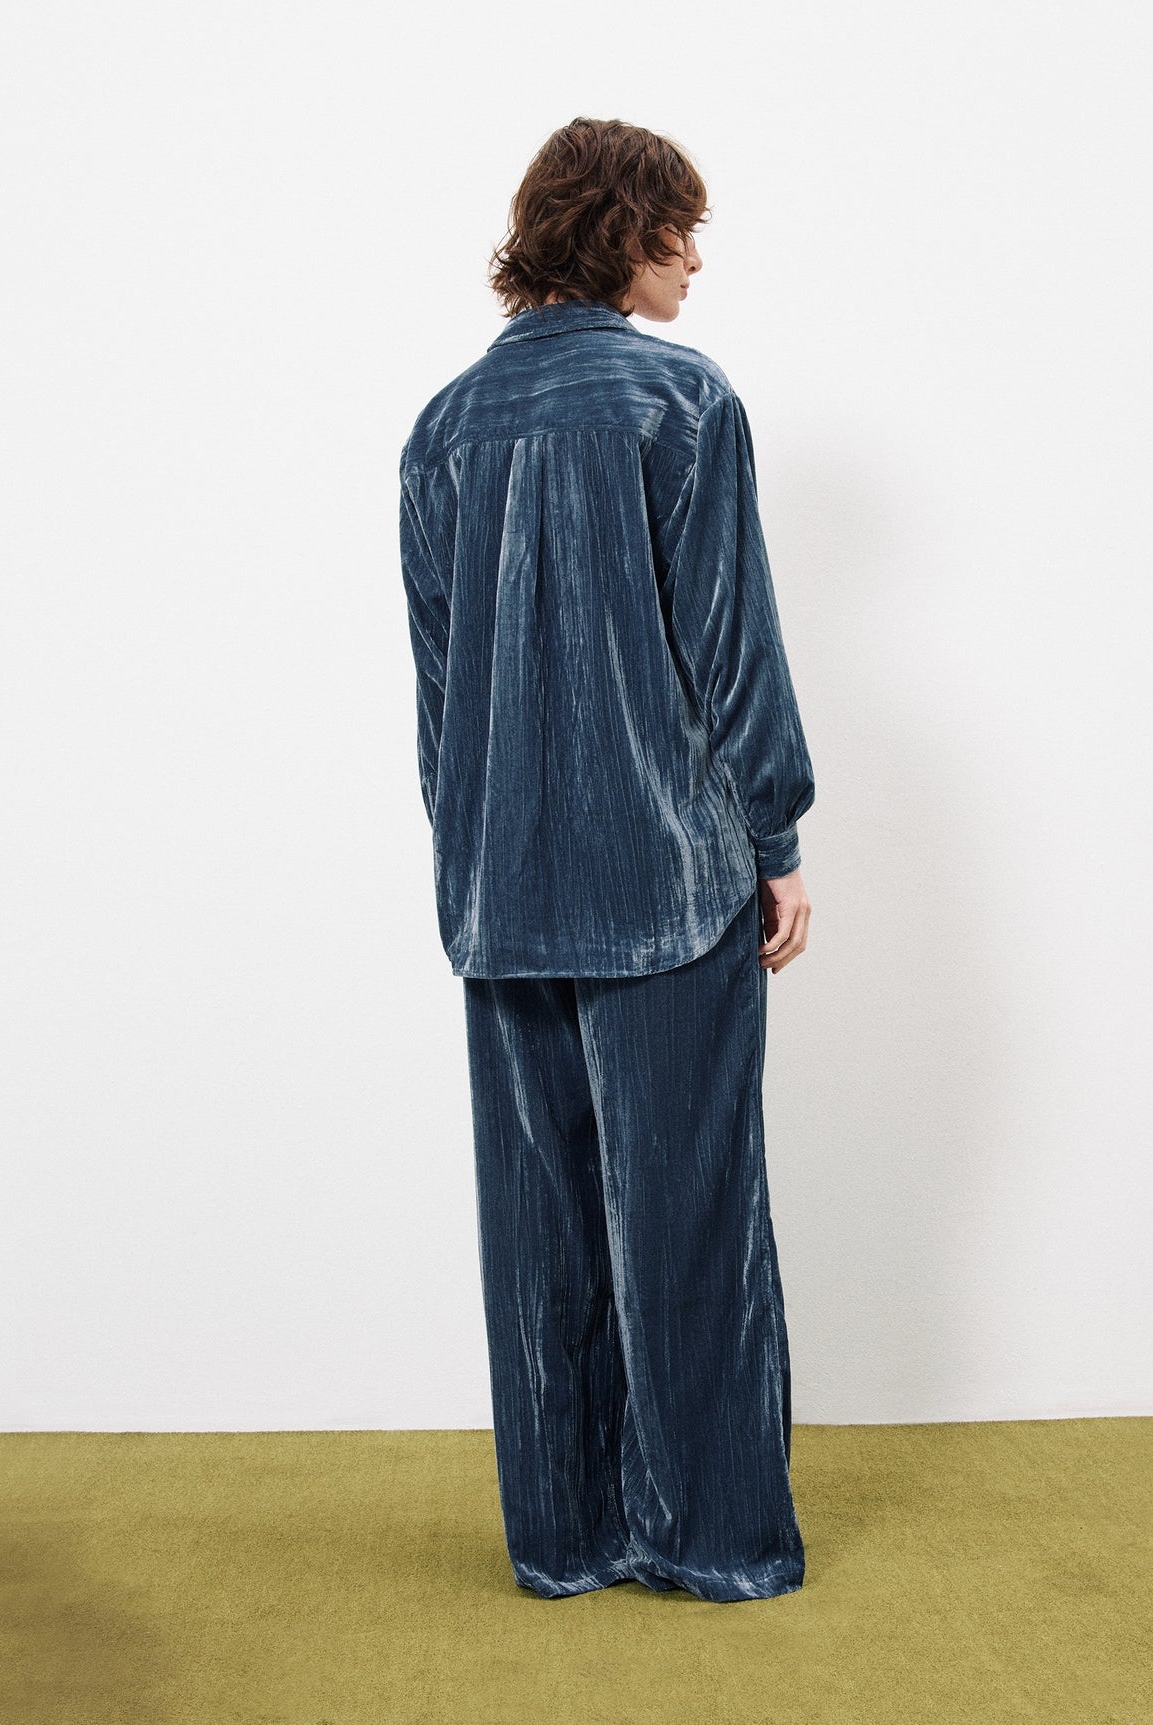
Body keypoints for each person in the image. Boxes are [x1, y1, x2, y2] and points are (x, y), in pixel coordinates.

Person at [397, 117, 815, 1602]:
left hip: (501, 893)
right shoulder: (678, 400)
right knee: (690, 1218)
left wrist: (476, 854)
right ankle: (711, 1539)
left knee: (543, 1232)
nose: (695, 260)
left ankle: (564, 1538)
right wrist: (774, 836)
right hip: (664, 884)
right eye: (678, 231)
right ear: (618, 231)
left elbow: (441, 691)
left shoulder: (445, 426)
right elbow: (731, 644)